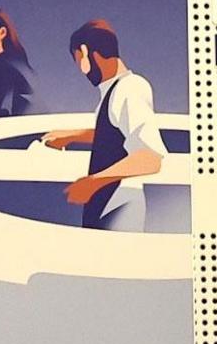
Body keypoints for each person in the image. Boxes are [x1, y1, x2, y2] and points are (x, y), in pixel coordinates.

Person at [47, 19, 161, 228]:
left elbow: (150, 157)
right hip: (109, 203)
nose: (81, 70)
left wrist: (93, 183)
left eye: (78, 60)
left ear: (85, 52)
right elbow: (115, 134)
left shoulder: (130, 88)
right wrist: (73, 136)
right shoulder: (115, 90)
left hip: (119, 204)